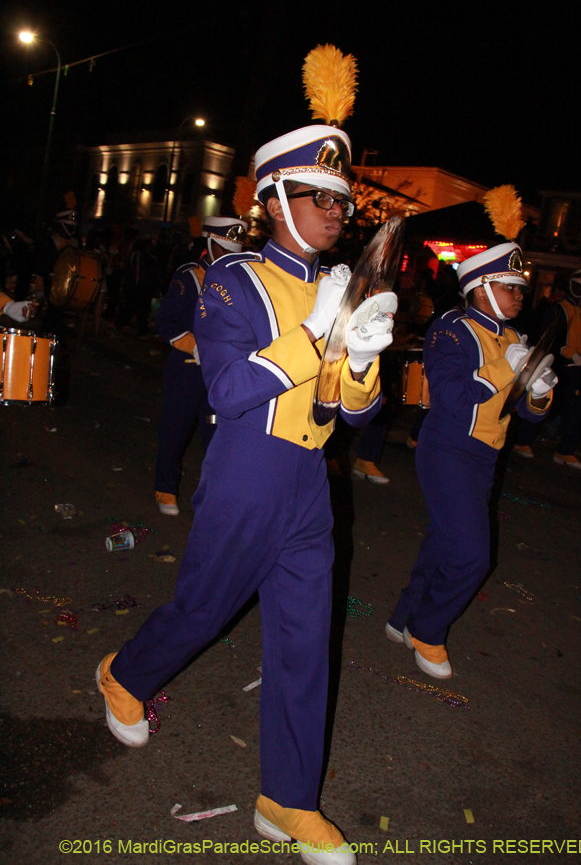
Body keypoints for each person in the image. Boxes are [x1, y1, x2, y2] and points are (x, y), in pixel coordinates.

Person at [96, 122, 395, 865]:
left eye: (339, 200)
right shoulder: (235, 281)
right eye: (315, 196)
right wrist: (316, 329)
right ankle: (123, 672)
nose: (334, 211)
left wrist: (358, 354)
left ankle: (287, 800)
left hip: (309, 485)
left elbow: (353, 413)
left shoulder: (334, 287)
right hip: (246, 474)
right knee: (203, 610)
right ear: (272, 200)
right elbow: (228, 390)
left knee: (305, 645)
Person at [386, 242, 556, 680]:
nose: (521, 296)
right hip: (447, 450)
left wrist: (539, 392)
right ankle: (427, 630)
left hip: (484, 456)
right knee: (472, 556)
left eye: (521, 288)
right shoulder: (452, 328)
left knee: (445, 542)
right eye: (511, 287)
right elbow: (451, 398)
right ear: (481, 289)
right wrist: (505, 368)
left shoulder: (515, 338)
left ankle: (405, 616)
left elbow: (521, 412)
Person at [154, 216, 248, 516]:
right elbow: (165, 322)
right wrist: (196, 345)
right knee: (175, 429)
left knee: (217, 435)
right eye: (223, 249)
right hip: (187, 369)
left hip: (219, 374)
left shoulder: (239, 280)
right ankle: (165, 488)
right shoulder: (188, 277)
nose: (228, 257)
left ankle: (214, 494)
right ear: (208, 244)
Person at [514, 268, 581, 469]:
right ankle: (522, 441)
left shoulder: (580, 311)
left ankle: (565, 450)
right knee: (544, 403)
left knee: (573, 410)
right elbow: (548, 337)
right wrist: (570, 353)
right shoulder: (557, 307)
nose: (579, 290)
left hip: (573, 368)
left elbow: (577, 340)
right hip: (558, 364)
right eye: (577, 285)